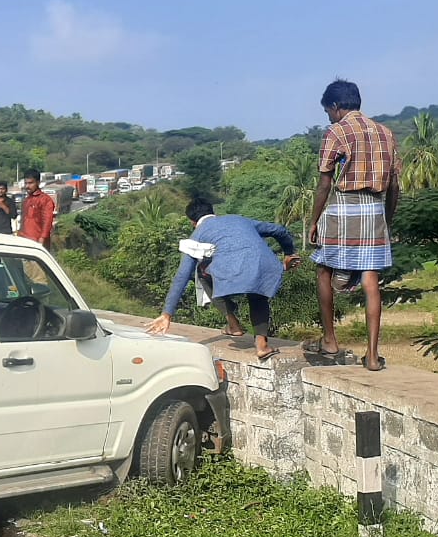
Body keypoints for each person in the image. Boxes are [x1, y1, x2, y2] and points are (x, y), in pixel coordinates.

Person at [306, 79, 401, 371]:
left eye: (328, 111)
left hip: (344, 207)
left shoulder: (336, 131)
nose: (329, 117)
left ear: (335, 107)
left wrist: (314, 220)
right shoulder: (386, 133)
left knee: (324, 270)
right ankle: (372, 357)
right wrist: (387, 218)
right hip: (374, 209)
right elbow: (395, 185)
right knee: (370, 281)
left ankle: (330, 340)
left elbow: (324, 184)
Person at [147, 199, 300, 361]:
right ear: (214, 213)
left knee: (201, 272)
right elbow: (279, 230)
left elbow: (182, 276)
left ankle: (233, 323)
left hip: (231, 272)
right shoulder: (239, 219)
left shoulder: (196, 235)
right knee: (257, 295)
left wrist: (167, 313)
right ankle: (261, 344)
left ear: (193, 222)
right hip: (264, 264)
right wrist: (289, 252)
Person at [17, 171, 54, 248]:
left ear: (38, 182)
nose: (27, 186)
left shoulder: (45, 200)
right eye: (26, 183)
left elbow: (47, 221)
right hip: (24, 240)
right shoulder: (26, 200)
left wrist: (42, 239)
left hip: (37, 241)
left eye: (30, 183)